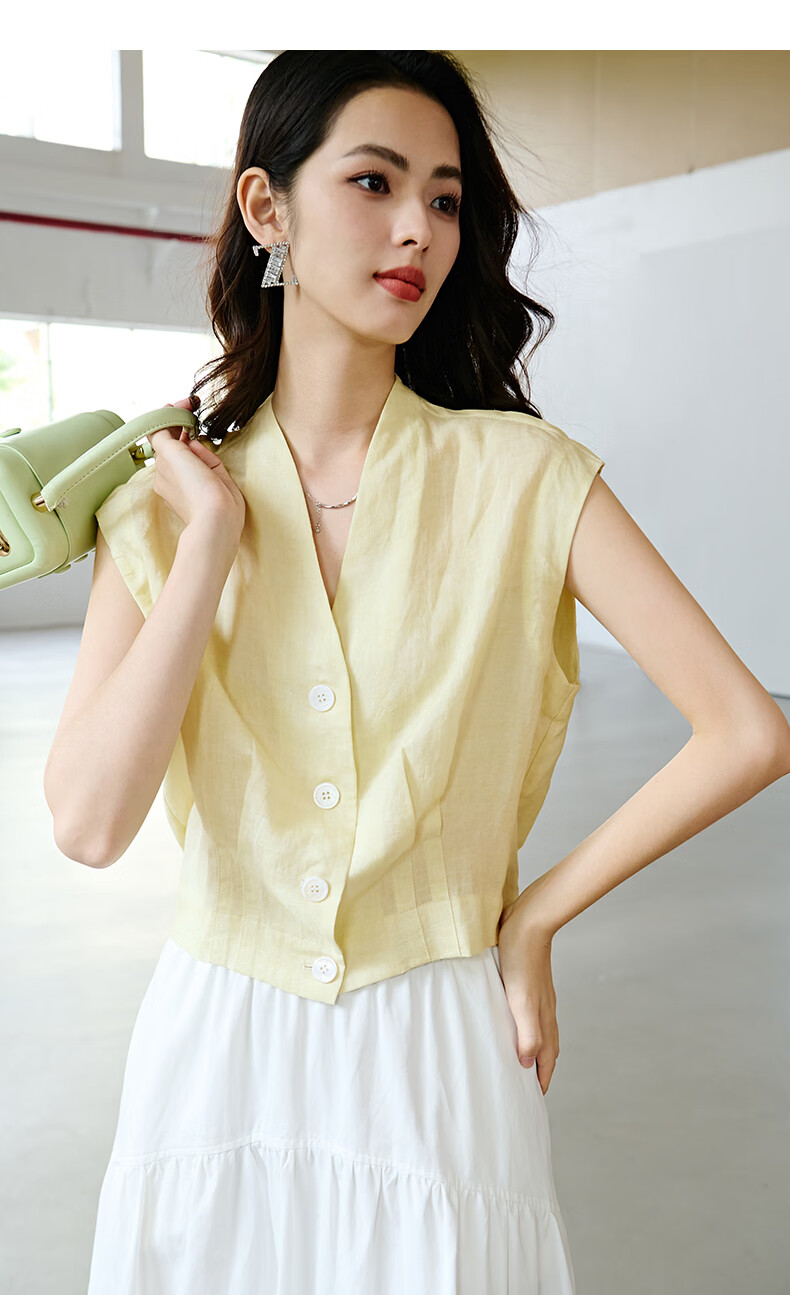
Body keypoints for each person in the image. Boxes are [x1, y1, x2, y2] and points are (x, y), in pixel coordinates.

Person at [43, 51, 790, 1295]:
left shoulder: (525, 477)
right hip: (217, 1048)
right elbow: (87, 822)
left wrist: (535, 913)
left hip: (434, 1045)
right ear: (266, 207)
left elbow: (747, 729)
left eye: (444, 199)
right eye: (374, 182)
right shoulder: (162, 504)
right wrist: (208, 546)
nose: (417, 230)